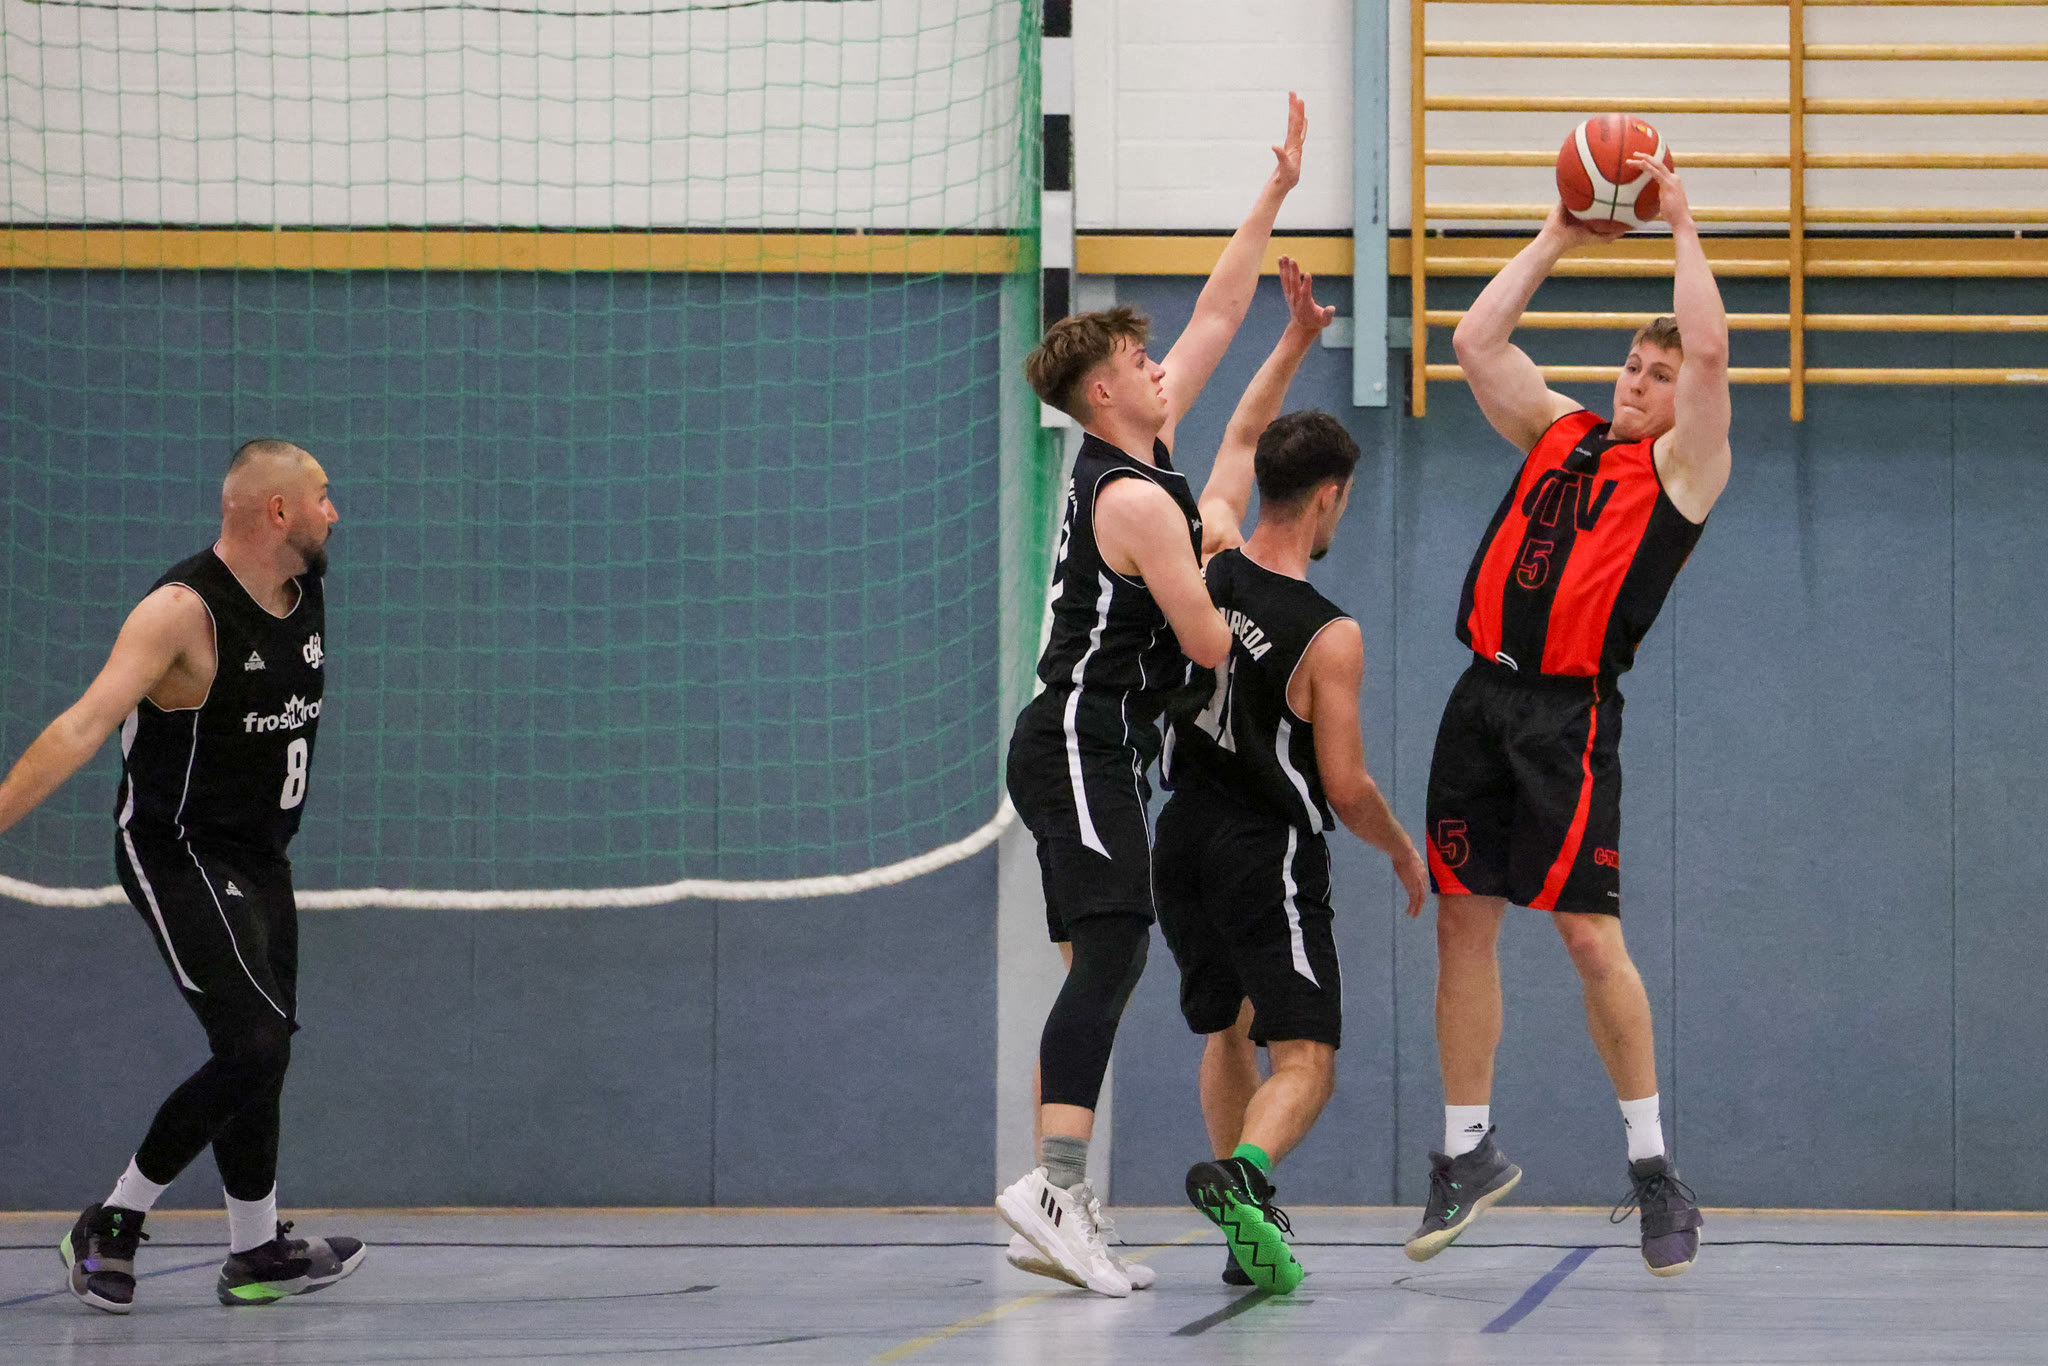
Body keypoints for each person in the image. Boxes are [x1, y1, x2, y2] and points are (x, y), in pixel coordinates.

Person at [995, 94, 1309, 1299]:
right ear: (1102, 397)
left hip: (1100, 747)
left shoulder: (1138, 452)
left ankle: (1058, 1199)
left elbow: (1220, 308)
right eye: (1136, 361)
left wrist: (1272, 192)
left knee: (1100, 959)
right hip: (1079, 738)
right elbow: (1206, 643)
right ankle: (1054, 1188)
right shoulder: (1132, 497)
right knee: (1114, 946)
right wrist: (1222, 554)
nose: (1156, 363)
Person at [1406, 156, 1725, 1275]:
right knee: (1461, 921)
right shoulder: (1560, 430)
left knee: (1588, 936)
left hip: (1567, 719)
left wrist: (1679, 226)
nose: (1635, 382)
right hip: (1478, 699)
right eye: (1632, 364)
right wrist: (1554, 235)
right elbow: (1474, 343)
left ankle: (1652, 1165)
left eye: (1655, 373)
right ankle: (1465, 1150)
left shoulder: (1684, 470)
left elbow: (1711, 353)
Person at [0, 440, 365, 1312]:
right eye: (322, 495)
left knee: (264, 1050)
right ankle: (113, 1219)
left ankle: (256, 1251)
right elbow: (83, 725)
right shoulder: (179, 612)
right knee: (255, 1042)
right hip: (177, 851)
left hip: (262, 855)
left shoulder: (303, 591)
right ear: (277, 510)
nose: (334, 512)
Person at [1157, 257, 1428, 1293]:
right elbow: (1345, 787)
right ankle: (1244, 1176)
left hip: (1179, 835)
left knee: (1226, 1028)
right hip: (1261, 848)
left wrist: (1295, 339)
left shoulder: (1208, 551)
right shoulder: (1328, 633)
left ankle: (1243, 1237)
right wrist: (1401, 852)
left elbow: (1235, 435)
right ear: (1328, 497)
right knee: (1306, 1056)